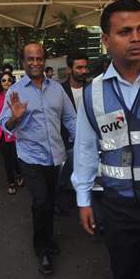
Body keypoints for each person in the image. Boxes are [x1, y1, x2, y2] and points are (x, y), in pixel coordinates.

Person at [72, 0, 140, 279]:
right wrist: (83, 198)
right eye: (125, 31)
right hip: (118, 205)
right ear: (106, 40)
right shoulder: (92, 93)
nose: (136, 38)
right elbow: (84, 148)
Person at [0, 43, 76, 275]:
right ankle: (41, 249)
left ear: (45, 61)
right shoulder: (15, 91)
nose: (35, 63)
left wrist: (84, 144)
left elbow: (70, 118)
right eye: (30, 59)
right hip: (30, 156)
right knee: (41, 200)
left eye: (39, 59)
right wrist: (15, 118)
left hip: (56, 156)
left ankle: (48, 238)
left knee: (50, 201)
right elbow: (5, 125)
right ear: (23, 62)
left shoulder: (57, 89)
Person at [55, 54, 89, 216]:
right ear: (69, 70)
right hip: (67, 142)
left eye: (85, 67)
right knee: (64, 176)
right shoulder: (59, 91)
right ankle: (61, 203)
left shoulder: (92, 89)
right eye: (79, 68)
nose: (84, 71)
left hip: (90, 142)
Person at [0, 72, 23, 194]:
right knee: (7, 158)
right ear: (0, 82)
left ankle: (18, 174)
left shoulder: (16, 94)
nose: (6, 82)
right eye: (3, 80)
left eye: (9, 80)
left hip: (13, 131)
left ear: (12, 81)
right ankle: (11, 182)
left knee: (15, 157)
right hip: (0, 131)